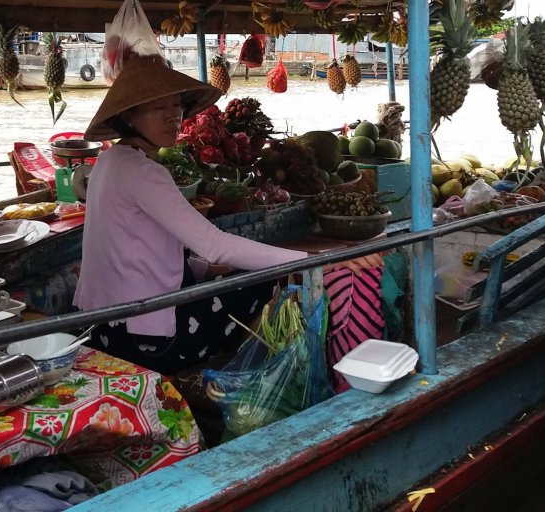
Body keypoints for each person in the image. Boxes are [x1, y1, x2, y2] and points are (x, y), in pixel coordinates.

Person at [73, 56, 380, 375]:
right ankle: (245, 380)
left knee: (236, 275)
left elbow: (140, 250)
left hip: (104, 329)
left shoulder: (110, 162)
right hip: (145, 338)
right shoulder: (143, 171)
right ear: (129, 117)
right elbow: (216, 245)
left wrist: (204, 268)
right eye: (158, 108)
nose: (172, 117)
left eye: (177, 106)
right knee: (267, 282)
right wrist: (315, 260)